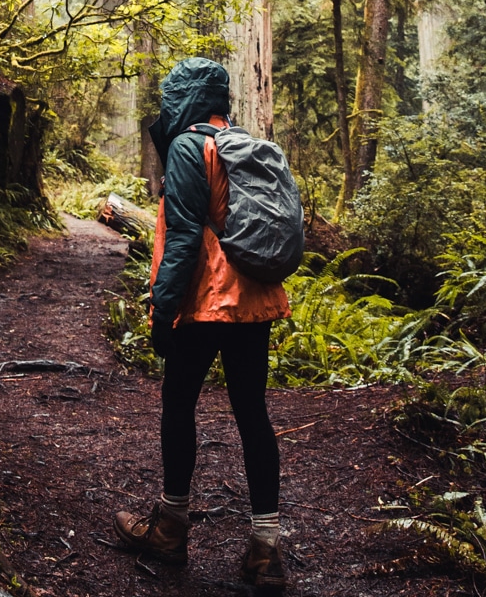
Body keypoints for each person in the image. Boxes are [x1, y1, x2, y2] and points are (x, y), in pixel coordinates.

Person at [113, 57, 291, 591]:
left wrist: (162, 311)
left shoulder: (190, 146)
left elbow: (185, 238)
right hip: (255, 300)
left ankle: (169, 528)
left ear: (184, 98)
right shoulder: (244, 144)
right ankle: (266, 548)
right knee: (252, 414)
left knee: (178, 404)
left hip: (205, 300)